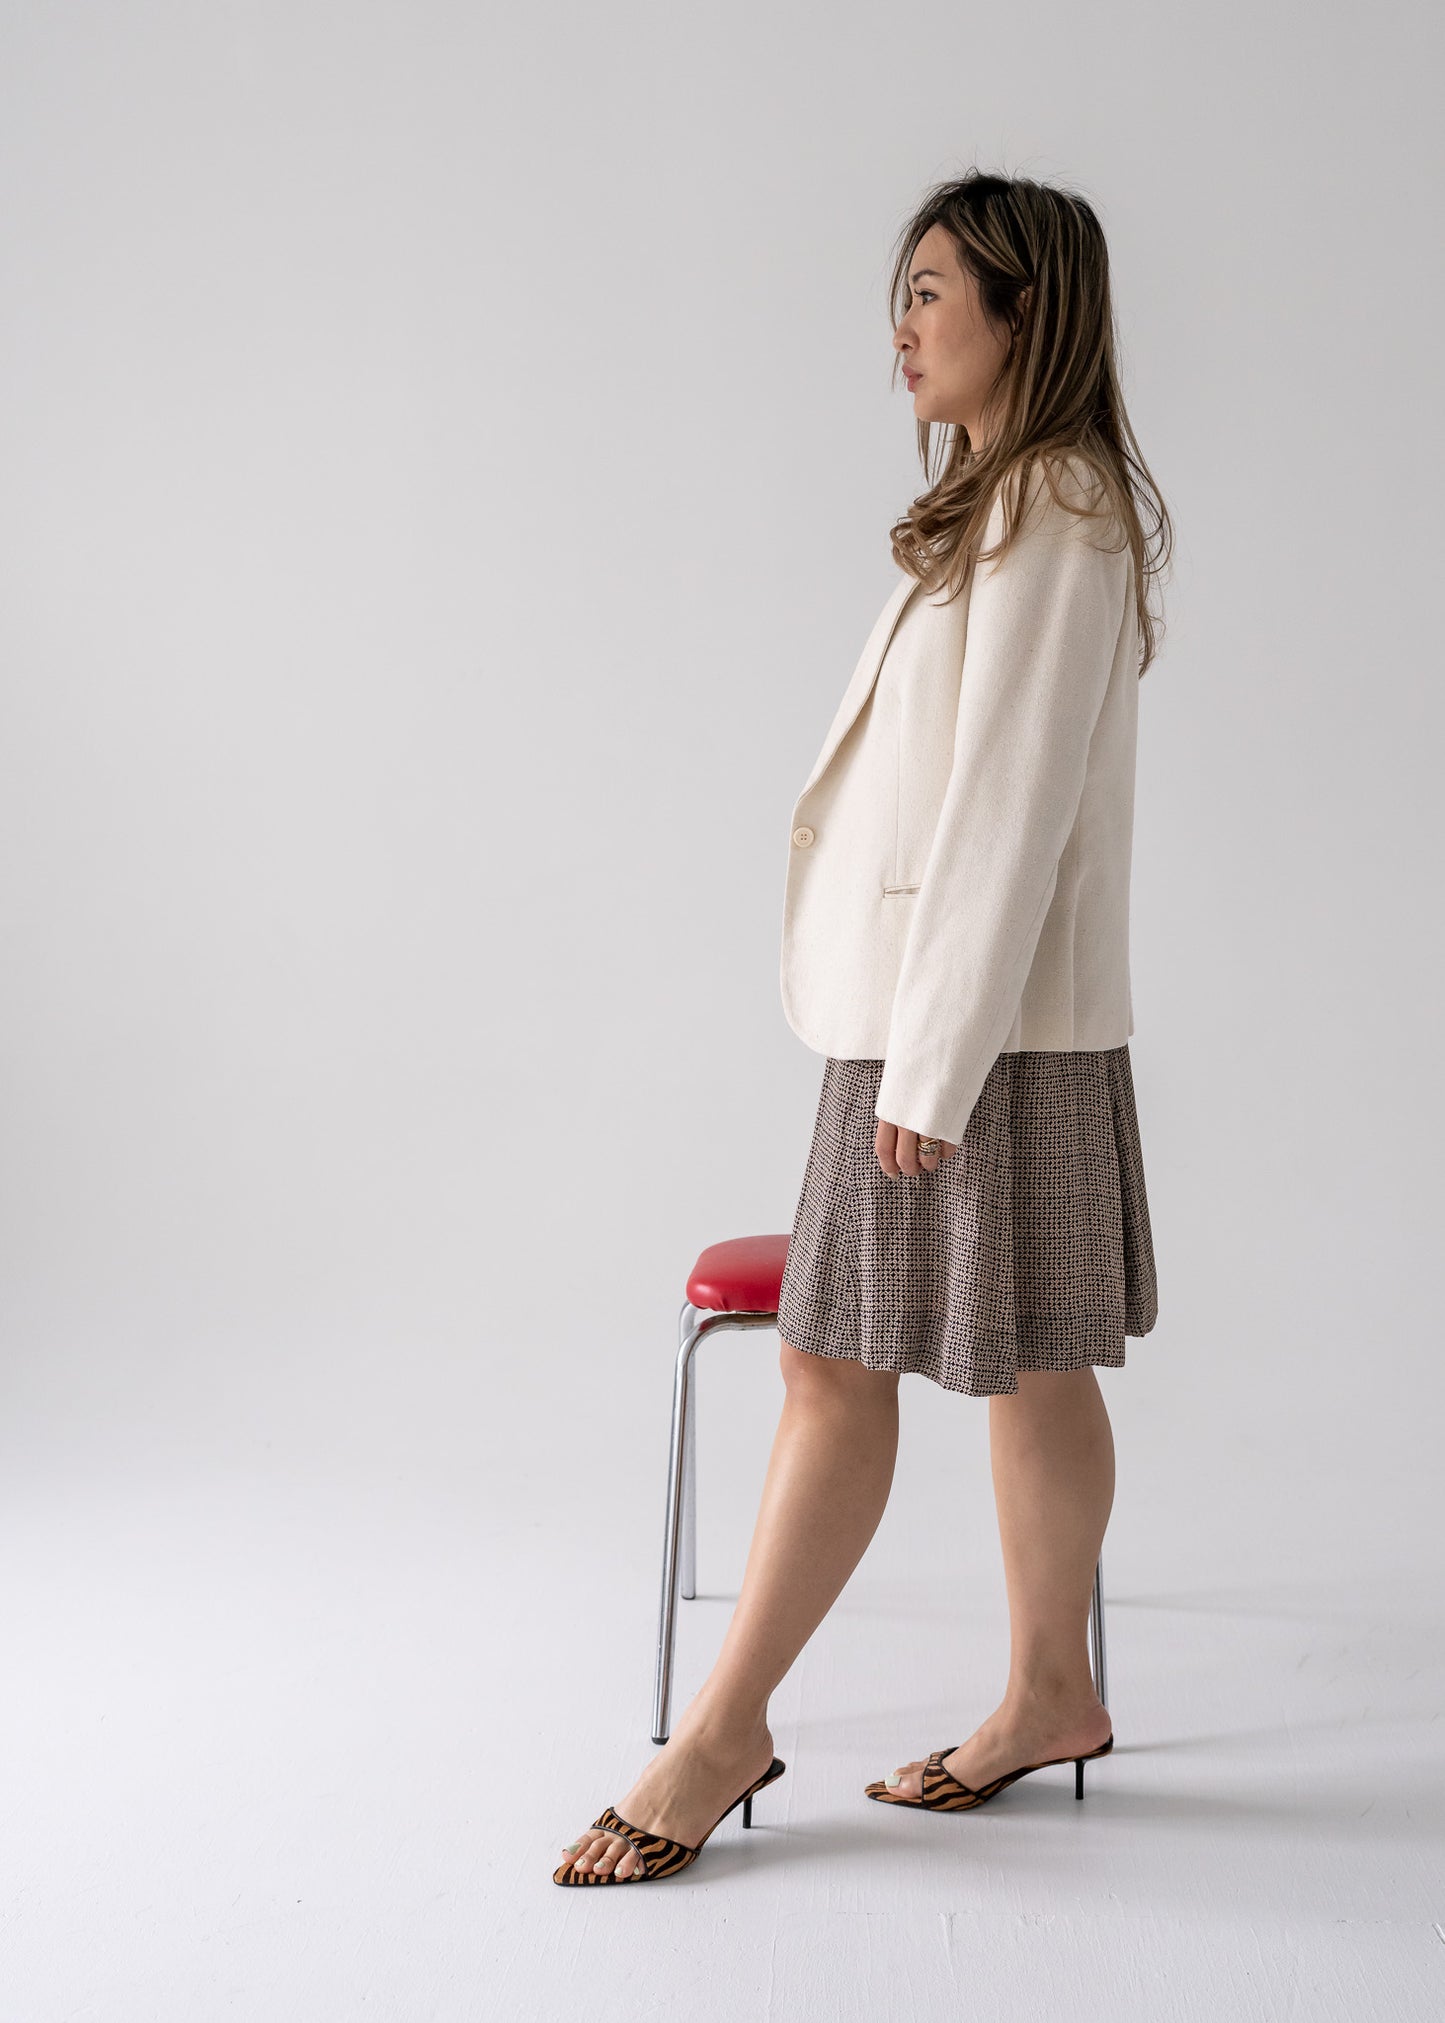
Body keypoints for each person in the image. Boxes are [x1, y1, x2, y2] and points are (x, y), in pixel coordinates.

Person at [553, 167, 1172, 1887]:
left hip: (963, 1028)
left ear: (1021, 310)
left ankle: (718, 1732)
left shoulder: (1056, 503)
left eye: (928, 292)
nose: (898, 326)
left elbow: (1010, 810)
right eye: (893, 294)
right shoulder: (1011, 493)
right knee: (1028, 1358)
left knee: (833, 1366)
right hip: (963, 1022)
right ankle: (1052, 1687)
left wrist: (934, 1063)